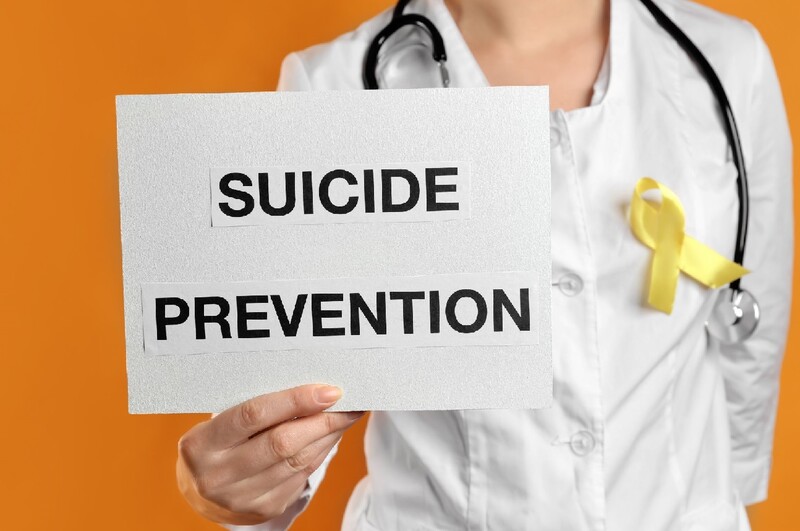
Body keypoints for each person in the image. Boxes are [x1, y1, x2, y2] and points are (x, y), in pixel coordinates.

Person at [175, 0, 794, 529]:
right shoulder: (330, 84)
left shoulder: (726, 62)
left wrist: (727, 495)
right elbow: (302, 376)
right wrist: (252, 483)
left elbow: (749, 335)